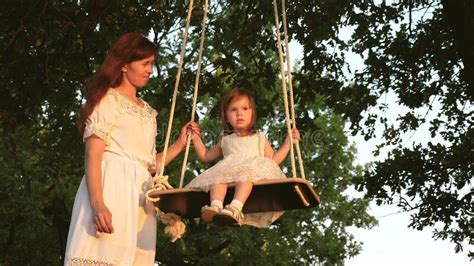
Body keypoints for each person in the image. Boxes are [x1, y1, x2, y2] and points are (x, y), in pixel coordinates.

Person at [64, 33, 195, 265]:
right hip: (110, 190)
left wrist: (180, 143)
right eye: (145, 63)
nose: (150, 70)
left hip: (140, 198)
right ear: (124, 64)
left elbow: (149, 164)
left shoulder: (148, 112)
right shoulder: (107, 101)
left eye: (152, 64)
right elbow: (93, 155)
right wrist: (98, 204)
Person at [185, 88, 300, 227]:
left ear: (252, 113)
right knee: (218, 177)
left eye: (245, 108)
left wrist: (287, 143)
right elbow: (205, 156)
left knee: (246, 174)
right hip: (228, 177)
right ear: (226, 116)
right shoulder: (225, 140)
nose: (239, 113)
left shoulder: (259, 137)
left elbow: (273, 161)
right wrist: (196, 139)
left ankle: (235, 208)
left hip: (252, 177)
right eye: (234, 110)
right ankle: (215, 207)